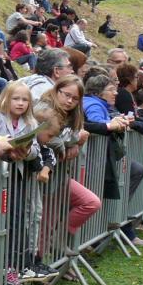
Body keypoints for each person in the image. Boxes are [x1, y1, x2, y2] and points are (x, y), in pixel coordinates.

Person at [0, 82, 51, 285]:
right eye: (16, 99)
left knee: (19, 222)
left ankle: (14, 267)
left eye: (25, 100)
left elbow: (36, 150)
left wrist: (28, 149)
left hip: (17, 178)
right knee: (2, 222)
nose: (20, 104)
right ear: (5, 99)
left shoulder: (29, 122)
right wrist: (6, 146)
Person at [34, 75, 101, 241]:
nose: (70, 101)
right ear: (57, 91)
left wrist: (75, 143)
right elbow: (45, 138)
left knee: (90, 202)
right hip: (42, 176)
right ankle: (42, 255)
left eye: (75, 98)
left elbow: (74, 135)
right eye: (67, 95)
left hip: (58, 176)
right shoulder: (43, 110)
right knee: (43, 223)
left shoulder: (71, 116)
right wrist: (73, 141)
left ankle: (56, 244)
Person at [82, 74, 143, 247]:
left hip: (102, 158)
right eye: (111, 90)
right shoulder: (93, 104)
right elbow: (98, 123)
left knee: (134, 171)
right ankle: (96, 234)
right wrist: (112, 123)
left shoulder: (99, 103)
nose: (116, 93)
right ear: (98, 92)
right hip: (94, 160)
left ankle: (112, 226)